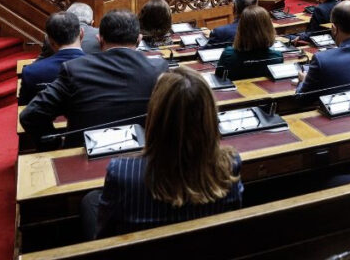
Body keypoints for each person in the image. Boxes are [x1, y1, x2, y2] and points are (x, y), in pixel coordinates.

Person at [81, 66, 243, 239]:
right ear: (210, 116)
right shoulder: (230, 164)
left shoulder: (121, 173)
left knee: (89, 201)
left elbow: (104, 239)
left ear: (155, 114)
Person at [19, 9, 169, 141]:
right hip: (144, 158)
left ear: (100, 39)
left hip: (82, 162)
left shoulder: (75, 70)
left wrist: (53, 143)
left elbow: (31, 116)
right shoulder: (159, 68)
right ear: (139, 39)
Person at [20, 12, 87, 104]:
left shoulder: (31, 72)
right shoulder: (100, 66)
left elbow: (24, 109)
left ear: (50, 41)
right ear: (82, 34)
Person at [215, 6, 282, 79]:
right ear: (269, 29)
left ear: (241, 29)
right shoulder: (277, 57)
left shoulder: (228, 55)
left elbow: (218, 79)